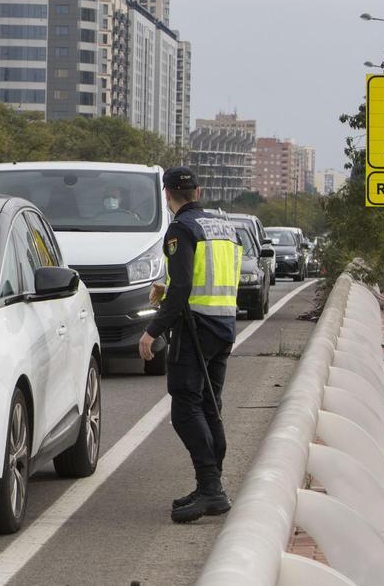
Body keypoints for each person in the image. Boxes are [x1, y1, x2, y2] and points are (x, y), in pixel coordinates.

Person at [138, 167, 242, 524]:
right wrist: (168, 289)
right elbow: (215, 276)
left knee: (185, 407)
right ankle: (210, 486)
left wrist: (152, 331)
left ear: (168, 195)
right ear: (198, 191)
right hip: (224, 325)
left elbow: (183, 286)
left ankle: (211, 488)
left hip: (195, 326)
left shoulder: (181, 229)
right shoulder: (225, 227)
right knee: (209, 405)